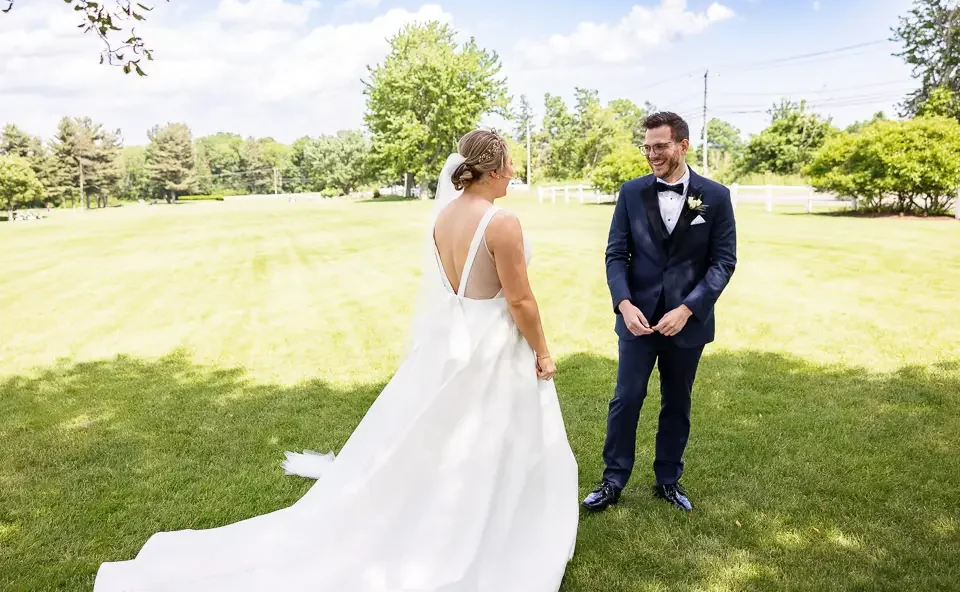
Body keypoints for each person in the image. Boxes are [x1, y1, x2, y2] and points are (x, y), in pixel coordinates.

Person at [94, 128, 579, 591]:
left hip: (451, 343)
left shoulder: (443, 217)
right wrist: (542, 350)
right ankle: (491, 529)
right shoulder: (501, 222)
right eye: (509, 164)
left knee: (444, 438)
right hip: (491, 345)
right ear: (491, 170)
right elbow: (519, 300)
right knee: (489, 437)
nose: (513, 172)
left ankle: (446, 509)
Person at [582, 112, 737, 513]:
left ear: (683, 145)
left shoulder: (716, 196)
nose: (652, 154)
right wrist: (624, 303)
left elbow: (723, 262)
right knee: (627, 398)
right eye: (647, 147)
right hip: (637, 318)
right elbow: (616, 254)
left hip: (687, 323)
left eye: (661, 146)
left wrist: (688, 309)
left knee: (677, 402)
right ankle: (612, 480)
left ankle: (668, 480)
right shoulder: (631, 193)